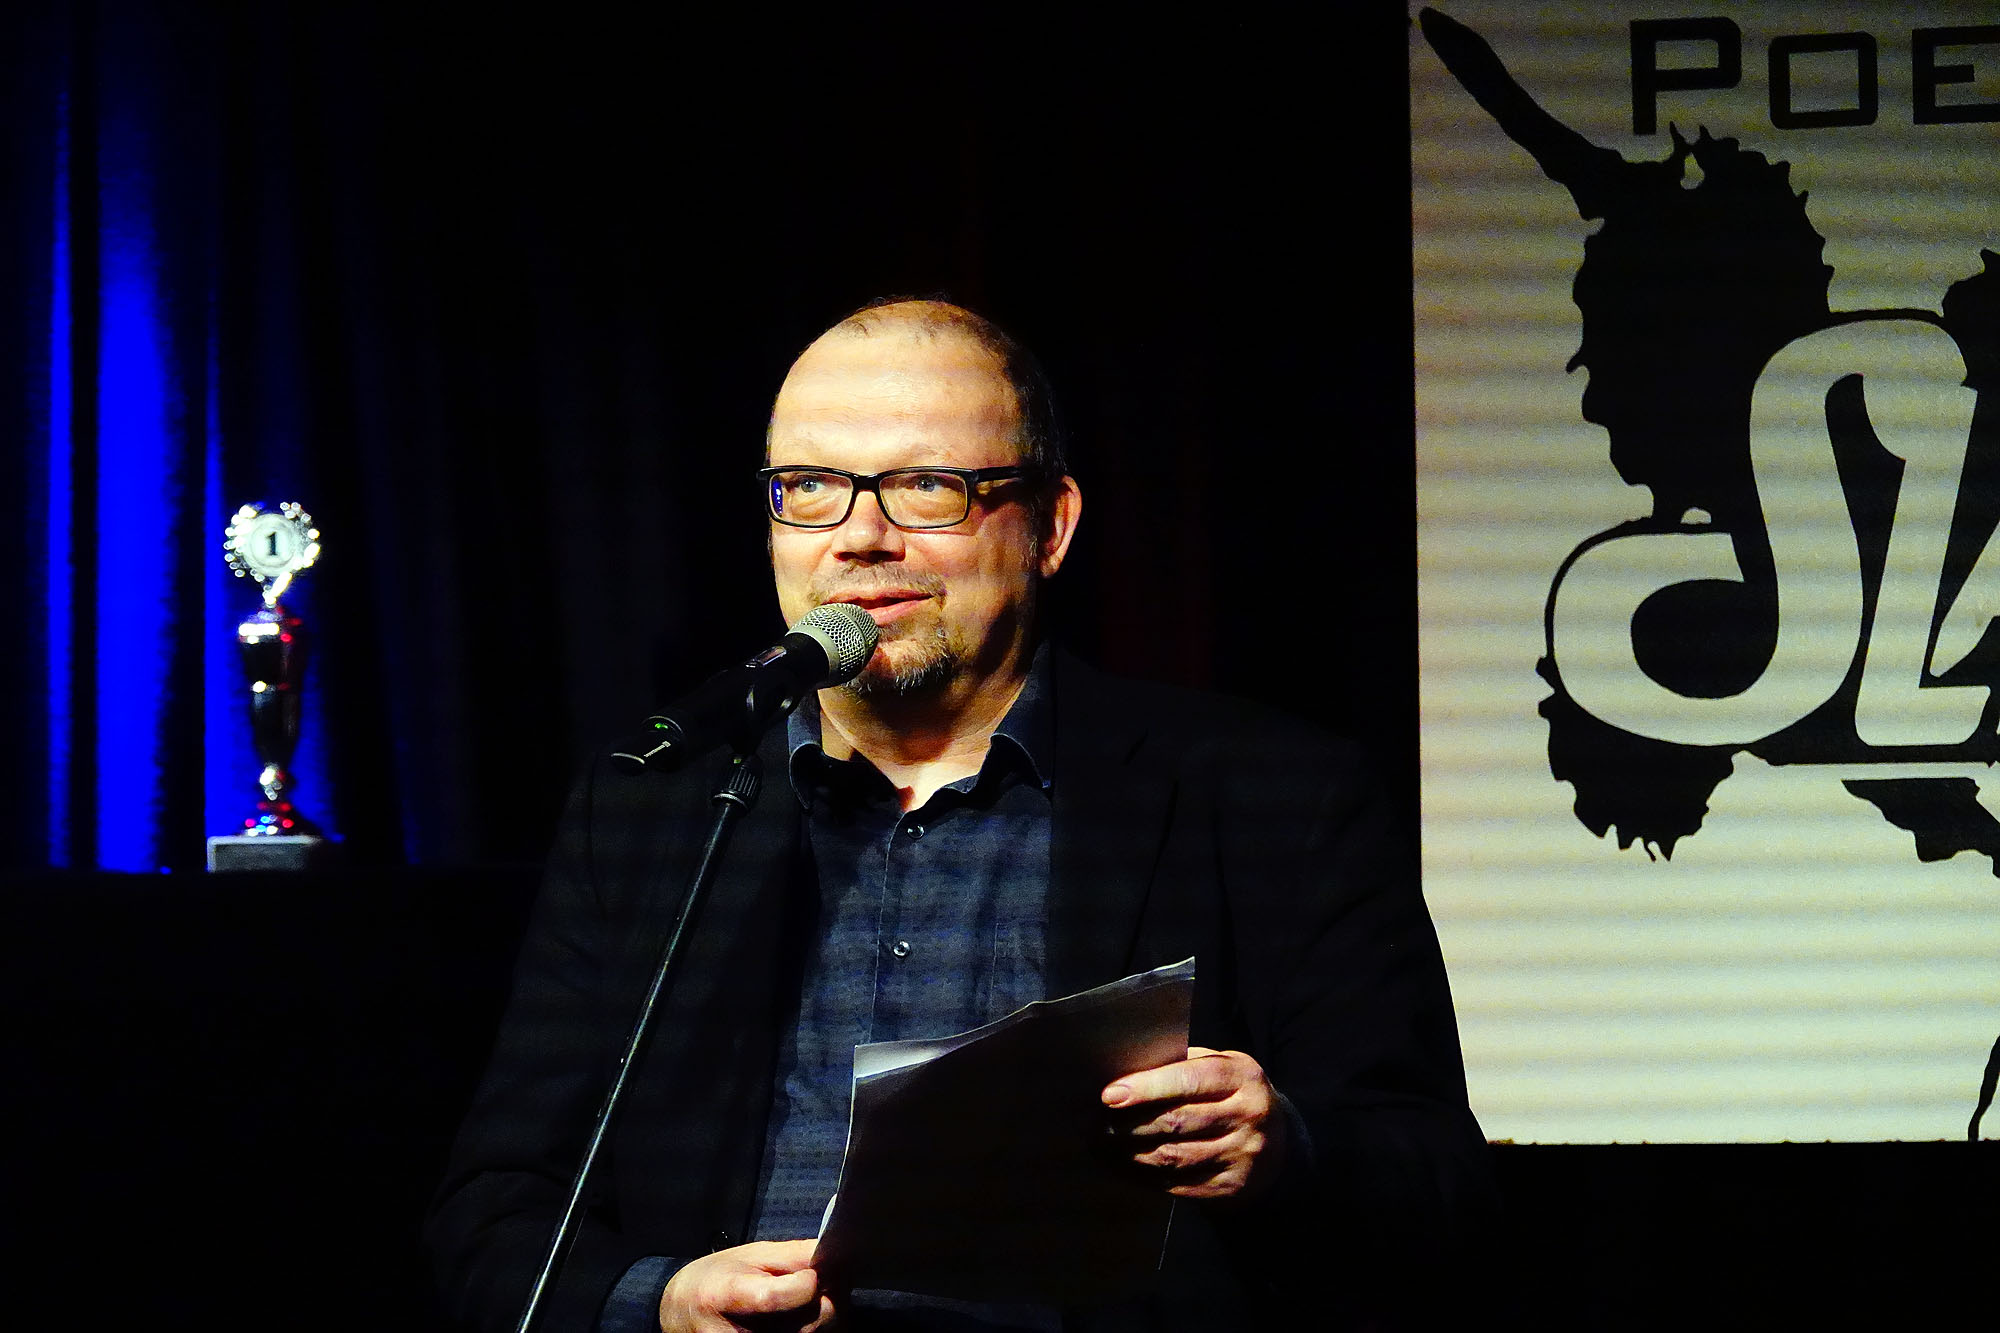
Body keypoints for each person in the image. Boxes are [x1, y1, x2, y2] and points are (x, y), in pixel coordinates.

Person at [427, 300, 1492, 1332]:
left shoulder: (1267, 796)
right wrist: (659, 1302)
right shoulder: (653, 814)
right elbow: (494, 1216)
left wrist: (1283, 1149)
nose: (860, 537)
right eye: (810, 487)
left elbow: (1438, 1186)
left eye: (925, 486)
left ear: (1051, 526)